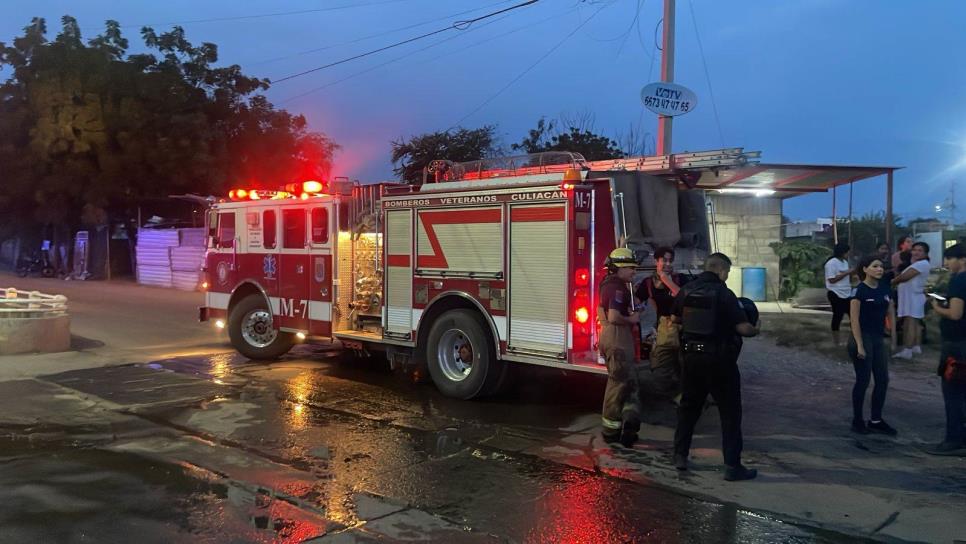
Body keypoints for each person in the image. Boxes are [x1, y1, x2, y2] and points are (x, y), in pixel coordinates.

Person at [670, 252, 760, 481]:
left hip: (692, 360)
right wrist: (756, 327)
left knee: (688, 409)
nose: (727, 276)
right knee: (730, 413)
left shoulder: (686, 290)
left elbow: (675, 320)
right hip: (720, 362)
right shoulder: (724, 294)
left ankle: (680, 456)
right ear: (720, 270)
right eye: (727, 272)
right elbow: (743, 329)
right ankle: (732, 466)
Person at [847, 256, 897, 435]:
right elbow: (854, 320)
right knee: (863, 380)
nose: (880, 269)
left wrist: (893, 339)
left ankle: (876, 420)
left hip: (878, 339)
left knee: (883, 379)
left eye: (881, 267)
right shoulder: (859, 291)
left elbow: (891, 313)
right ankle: (857, 420)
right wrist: (860, 345)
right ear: (865, 269)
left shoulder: (885, 289)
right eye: (875, 266)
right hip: (862, 338)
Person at [598, 247, 643, 447]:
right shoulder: (616, 288)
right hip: (617, 340)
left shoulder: (612, 284)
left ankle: (629, 427)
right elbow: (614, 317)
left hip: (617, 339)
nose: (634, 271)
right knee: (617, 386)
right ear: (619, 269)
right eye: (630, 267)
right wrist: (632, 318)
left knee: (628, 383)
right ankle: (610, 432)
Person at [927, 243, 966, 455]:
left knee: (953, 393)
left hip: (956, 344)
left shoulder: (960, 281)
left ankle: (953, 440)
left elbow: (955, 313)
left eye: (950, 259)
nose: (947, 264)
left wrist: (936, 307)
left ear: (962, 259)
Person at [636, 246, 685, 402]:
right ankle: (677, 396)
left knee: (684, 368)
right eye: (664, 260)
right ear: (656, 261)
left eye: (671, 261)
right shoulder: (648, 283)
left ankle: (689, 401)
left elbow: (683, 297)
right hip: (664, 331)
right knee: (659, 369)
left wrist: (666, 280)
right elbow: (636, 302)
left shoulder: (680, 279)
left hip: (684, 331)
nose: (668, 264)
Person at [893, 241, 930, 359]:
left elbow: (904, 277)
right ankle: (916, 347)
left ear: (925, 253)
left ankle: (907, 350)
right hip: (913, 297)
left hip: (913, 298)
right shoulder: (919, 263)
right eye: (914, 250)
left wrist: (891, 282)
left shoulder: (921, 264)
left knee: (910, 323)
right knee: (915, 323)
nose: (916, 252)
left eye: (920, 251)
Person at [825, 242, 854, 332]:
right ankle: (835, 335)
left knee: (853, 314)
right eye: (847, 252)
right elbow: (832, 280)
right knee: (838, 315)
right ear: (842, 252)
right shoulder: (831, 263)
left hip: (847, 292)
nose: (849, 254)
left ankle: (856, 333)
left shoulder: (845, 262)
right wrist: (847, 272)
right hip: (835, 292)